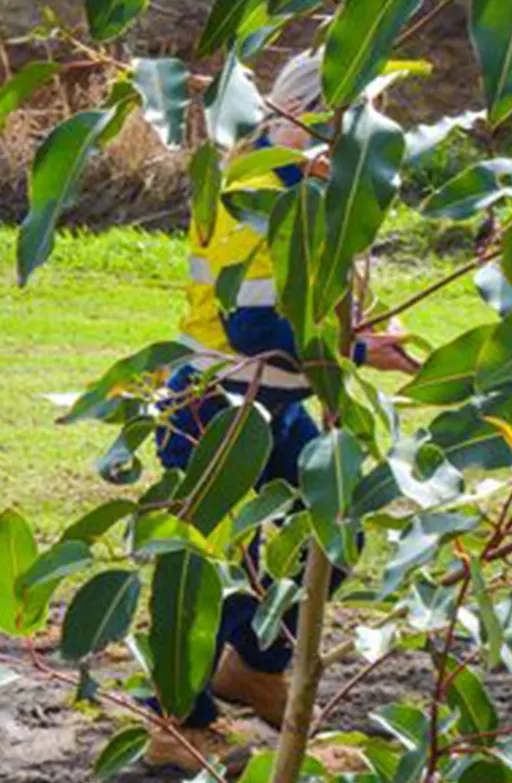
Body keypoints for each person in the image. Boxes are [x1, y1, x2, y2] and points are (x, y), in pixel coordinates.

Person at [154, 51, 417, 743]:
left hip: (276, 401)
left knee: (340, 524)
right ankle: (177, 722)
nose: (368, 134)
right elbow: (254, 326)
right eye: (358, 117)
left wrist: (356, 334)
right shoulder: (264, 190)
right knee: (215, 568)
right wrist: (355, 351)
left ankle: (256, 667)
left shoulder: (304, 183)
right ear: (304, 115)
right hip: (221, 408)